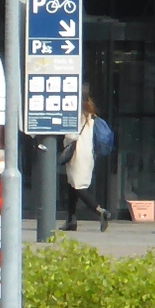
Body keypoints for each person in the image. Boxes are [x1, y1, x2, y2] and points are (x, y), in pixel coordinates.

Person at [64, 96, 114, 233]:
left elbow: (71, 136)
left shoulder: (77, 118)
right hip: (88, 155)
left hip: (77, 154)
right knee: (72, 186)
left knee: (78, 187)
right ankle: (71, 221)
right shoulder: (92, 118)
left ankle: (100, 211)